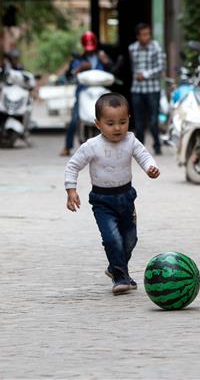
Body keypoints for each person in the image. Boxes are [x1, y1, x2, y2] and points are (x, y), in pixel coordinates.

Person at [63, 92, 160, 294]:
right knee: (112, 239)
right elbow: (73, 166)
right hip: (102, 201)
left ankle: (114, 267)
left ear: (128, 121)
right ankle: (120, 277)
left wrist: (151, 167)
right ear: (98, 124)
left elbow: (144, 155)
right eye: (110, 123)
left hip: (126, 197)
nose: (117, 128)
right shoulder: (92, 146)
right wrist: (71, 190)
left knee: (130, 239)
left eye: (122, 122)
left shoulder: (131, 140)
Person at [60, 31, 112, 157]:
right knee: (74, 119)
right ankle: (67, 146)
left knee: (110, 116)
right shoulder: (78, 60)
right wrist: (79, 69)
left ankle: (111, 144)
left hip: (99, 93)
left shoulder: (102, 57)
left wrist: (106, 63)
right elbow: (69, 75)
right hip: (83, 93)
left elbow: (112, 71)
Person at [128, 22, 166, 155]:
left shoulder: (156, 48)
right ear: (138, 36)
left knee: (153, 120)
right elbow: (133, 66)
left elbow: (161, 67)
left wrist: (145, 74)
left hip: (152, 89)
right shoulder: (132, 48)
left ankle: (157, 145)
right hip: (137, 89)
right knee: (138, 121)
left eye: (148, 34)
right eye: (143, 35)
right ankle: (140, 150)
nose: (146, 37)